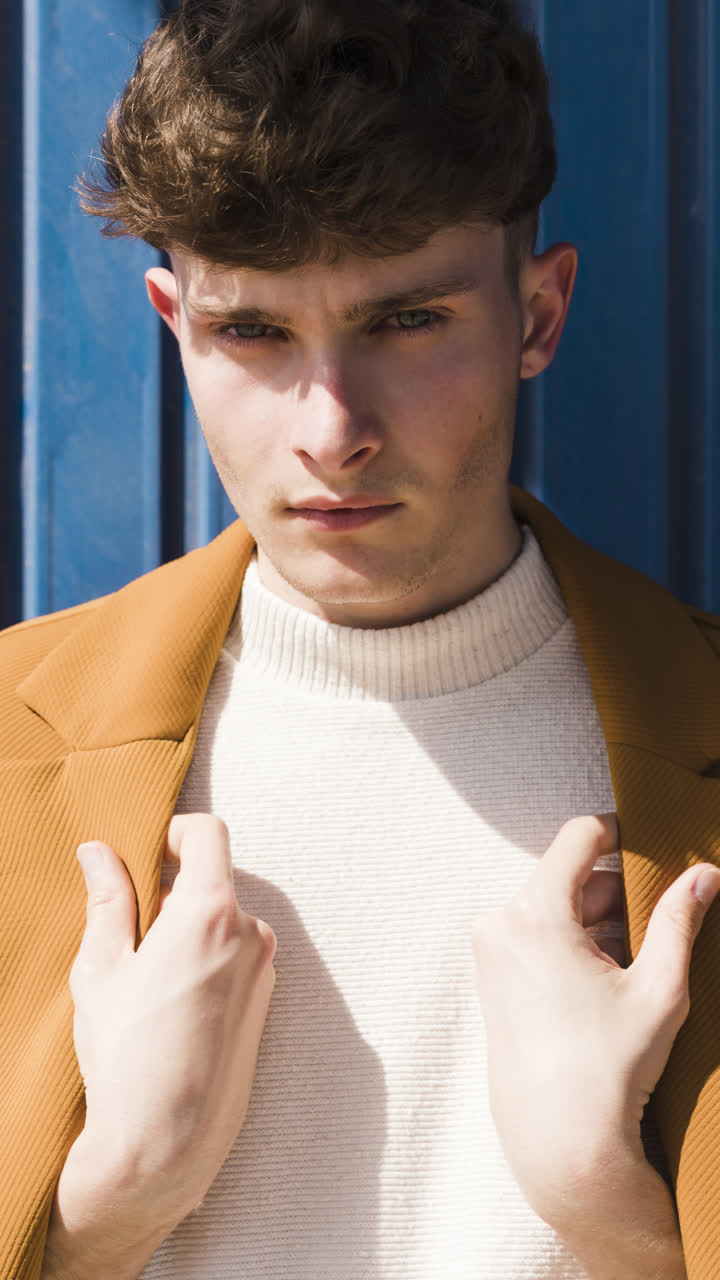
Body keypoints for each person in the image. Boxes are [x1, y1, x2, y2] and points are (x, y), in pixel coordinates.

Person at [1, 0, 720, 1277]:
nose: (332, 428)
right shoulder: (13, 741)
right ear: (176, 325)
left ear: (538, 314)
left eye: (406, 321)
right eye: (254, 332)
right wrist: (101, 1215)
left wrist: (613, 1215)